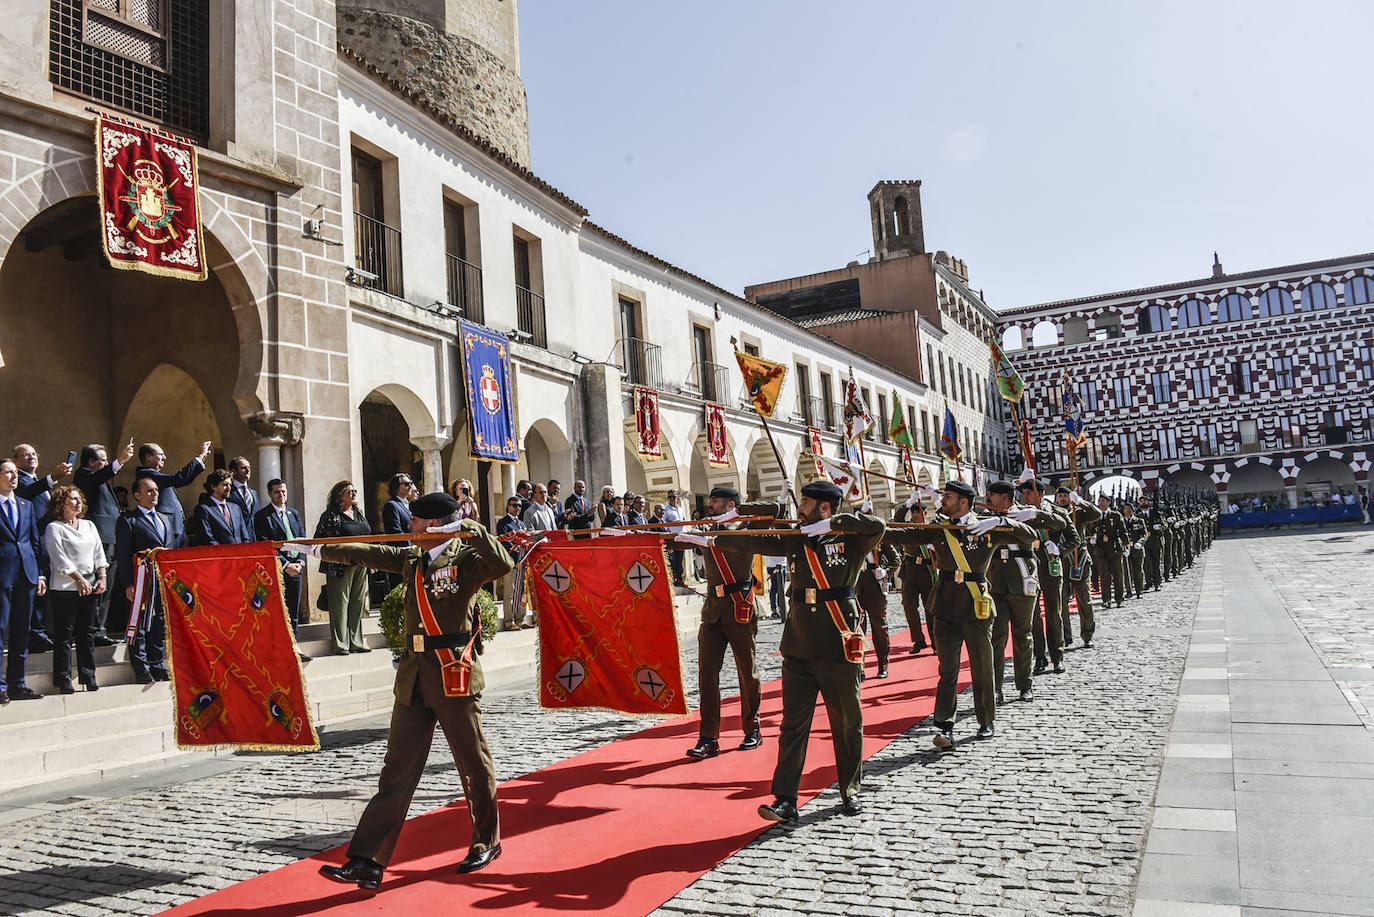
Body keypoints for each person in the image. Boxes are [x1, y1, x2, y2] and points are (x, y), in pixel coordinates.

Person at [293, 492, 513, 888]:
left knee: (472, 763)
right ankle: (368, 860)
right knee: (396, 771)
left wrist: (471, 528)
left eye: (414, 522)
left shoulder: (465, 558)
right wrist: (317, 549)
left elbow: (503, 563)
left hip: (452, 674)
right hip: (413, 678)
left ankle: (486, 839)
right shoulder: (411, 558)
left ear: (433, 526)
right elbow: (366, 553)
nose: (408, 527)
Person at [723, 480, 884, 823]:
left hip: (838, 642)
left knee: (846, 722)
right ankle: (785, 799)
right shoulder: (795, 538)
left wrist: (834, 525)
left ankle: (850, 790)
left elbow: (877, 526)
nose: (801, 508)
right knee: (793, 724)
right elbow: (747, 541)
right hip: (798, 644)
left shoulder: (850, 539)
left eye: (807, 503)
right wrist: (753, 515)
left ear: (825, 508)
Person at [886, 480, 1037, 748]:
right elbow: (902, 533)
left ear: (964, 501)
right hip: (944, 606)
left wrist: (1000, 524)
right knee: (948, 669)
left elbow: (1028, 535)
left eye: (949, 496)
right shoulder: (939, 527)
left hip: (975, 606)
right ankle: (944, 725)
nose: (943, 500)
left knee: (982, 667)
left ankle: (986, 720)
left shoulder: (986, 526)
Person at [672, 487, 776, 759]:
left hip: (739, 607)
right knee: (707, 674)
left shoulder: (747, 529)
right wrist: (634, 537)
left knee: (747, 672)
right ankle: (708, 737)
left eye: (715, 503)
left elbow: (772, 510)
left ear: (730, 504)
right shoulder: (706, 530)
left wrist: (738, 512)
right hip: (712, 612)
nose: (710, 507)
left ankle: (752, 728)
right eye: (710, 502)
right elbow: (676, 540)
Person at [984, 480, 1060, 704]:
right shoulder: (987, 516)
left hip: (1022, 581)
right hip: (996, 584)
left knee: (1023, 635)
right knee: (996, 637)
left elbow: (1059, 522)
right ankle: (996, 687)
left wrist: (1036, 514)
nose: (988, 499)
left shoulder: (1024, 515)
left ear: (1005, 497)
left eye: (992, 495)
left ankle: (1025, 684)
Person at [44, 483, 108, 693]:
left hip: (90, 586)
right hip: (65, 588)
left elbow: (99, 552)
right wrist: (79, 579)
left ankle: (88, 676)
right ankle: (63, 679)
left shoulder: (89, 525)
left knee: (86, 632)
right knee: (65, 634)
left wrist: (102, 577)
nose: (78, 502)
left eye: (79, 498)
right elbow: (59, 558)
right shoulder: (54, 528)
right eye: (72, 499)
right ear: (61, 503)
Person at [74, 440, 136, 646]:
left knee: (106, 588)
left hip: (112, 537)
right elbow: (100, 476)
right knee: (99, 586)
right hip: (101, 538)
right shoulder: (84, 474)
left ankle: (99, 628)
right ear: (91, 462)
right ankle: (92, 631)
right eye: (103, 461)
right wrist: (120, 462)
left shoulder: (98, 478)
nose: (107, 464)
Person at [115, 477, 175, 684]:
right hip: (141, 579)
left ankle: (157, 664)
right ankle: (141, 666)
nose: (154, 494)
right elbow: (123, 554)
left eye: (156, 490)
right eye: (149, 491)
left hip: (162, 578)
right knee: (139, 623)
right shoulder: (128, 520)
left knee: (159, 621)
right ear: (137, 495)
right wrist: (129, 583)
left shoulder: (165, 519)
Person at [14, 444, 69, 652]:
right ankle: (33, 633)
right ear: (16, 460)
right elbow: (26, 494)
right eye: (25, 455)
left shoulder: (37, 481)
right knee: (35, 588)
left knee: (44, 588)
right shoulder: (18, 479)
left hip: (47, 540)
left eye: (34, 454)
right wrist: (52, 478)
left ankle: (40, 630)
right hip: (31, 541)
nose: (31, 457)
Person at [0, 459, 47, 702]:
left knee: (22, 631)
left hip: (26, 574)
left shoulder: (25, 505)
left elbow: (33, 541)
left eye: (15, 472)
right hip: (3, 574)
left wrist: (39, 573)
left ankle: (17, 683)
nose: (13, 476)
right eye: (8, 472)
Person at [314, 480, 373, 655]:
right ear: (339, 495)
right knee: (340, 605)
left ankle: (356, 641)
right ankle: (341, 644)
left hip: (361, 563)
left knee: (357, 603)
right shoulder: (330, 515)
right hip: (340, 565)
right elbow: (319, 539)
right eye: (349, 491)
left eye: (354, 491)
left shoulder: (359, 513)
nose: (354, 494)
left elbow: (367, 534)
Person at [253, 478, 308, 651]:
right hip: (277, 568)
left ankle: (294, 646)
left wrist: (300, 561)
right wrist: (285, 565)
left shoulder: (293, 513)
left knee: (294, 610)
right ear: (269, 493)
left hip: (296, 568)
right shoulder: (262, 516)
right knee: (276, 609)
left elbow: (302, 539)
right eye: (277, 492)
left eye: (283, 491)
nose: (281, 495)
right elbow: (265, 544)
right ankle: (277, 646)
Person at [134, 440, 211, 547]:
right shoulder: (146, 475)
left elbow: (184, 480)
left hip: (174, 527)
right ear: (148, 457)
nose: (164, 458)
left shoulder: (155, 475)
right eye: (160, 454)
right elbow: (179, 478)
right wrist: (200, 456)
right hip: (168, 529)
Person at [893, 498, 935, 653]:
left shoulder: (931, 528)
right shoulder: (907, 527)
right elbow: (897, 520)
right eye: (913, 511)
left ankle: (935, 641)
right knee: (909, 607)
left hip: (927, 572)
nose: (915, 514)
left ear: (925, 513)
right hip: (909, 572)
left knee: (930, 609)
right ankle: (918, 640)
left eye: (918, 511)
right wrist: (906, 505)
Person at [188, 469, 252, 546]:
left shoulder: (235, 508)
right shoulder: (203, 509)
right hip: (218, 555)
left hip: (239, 555)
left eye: (230, 485)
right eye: (225, 485)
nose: (229, 488)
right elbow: (207, 538)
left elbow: (245, 536)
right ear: (213, 486)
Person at [1090, 494, 1128, 615]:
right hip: (1100, 550)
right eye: (1099, 500)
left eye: (1103, 501)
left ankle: (1119, 599)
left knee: (1117, 574)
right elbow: (1090, 531)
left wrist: (1126, 546)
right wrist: (1092, 537)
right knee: (1104, 575)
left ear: (1109, 502)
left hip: (1114, 548)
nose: (1100, 503)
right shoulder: (1095, 516)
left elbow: (1123, 532)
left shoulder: (1116, 515)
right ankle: (1106, 600)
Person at [495, 496, 528, 630]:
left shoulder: (522, 524)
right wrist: (516, 554)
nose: (517, 508)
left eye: (519, 506)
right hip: (511, 562)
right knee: (510, 592)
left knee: (522, 593)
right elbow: (504, 542)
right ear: (508, 506)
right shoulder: (503, 523)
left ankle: (520, 619)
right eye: (514, 505)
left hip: (523, 561)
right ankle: (509, 622)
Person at [382, 474, 416, 592]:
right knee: (399, 589)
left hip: (412, 555)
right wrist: (413, 545)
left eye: (411, 483)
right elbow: (395, 532)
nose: (410, 486)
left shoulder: (410, 505)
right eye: (406, 484)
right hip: (399, 556)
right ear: (397, 487)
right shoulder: (392, 506)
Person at [662, 489, 686, 584]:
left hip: (681, 536)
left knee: (680, 560)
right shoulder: (666, 509)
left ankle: (680, 580)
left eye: (674, 497)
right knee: (672, 560)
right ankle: (672, 580)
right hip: (671, 537)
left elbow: (683, 520)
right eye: (670, 497)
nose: (672, 499)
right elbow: (663, 522)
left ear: (677, 498)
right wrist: (674, 523)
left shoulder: (680, 508)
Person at [226, 455, 258, 520]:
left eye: (249, 467)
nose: (248, 470)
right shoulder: (227, 491)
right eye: (243, 468)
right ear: (233, 471)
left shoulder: (254, 493)